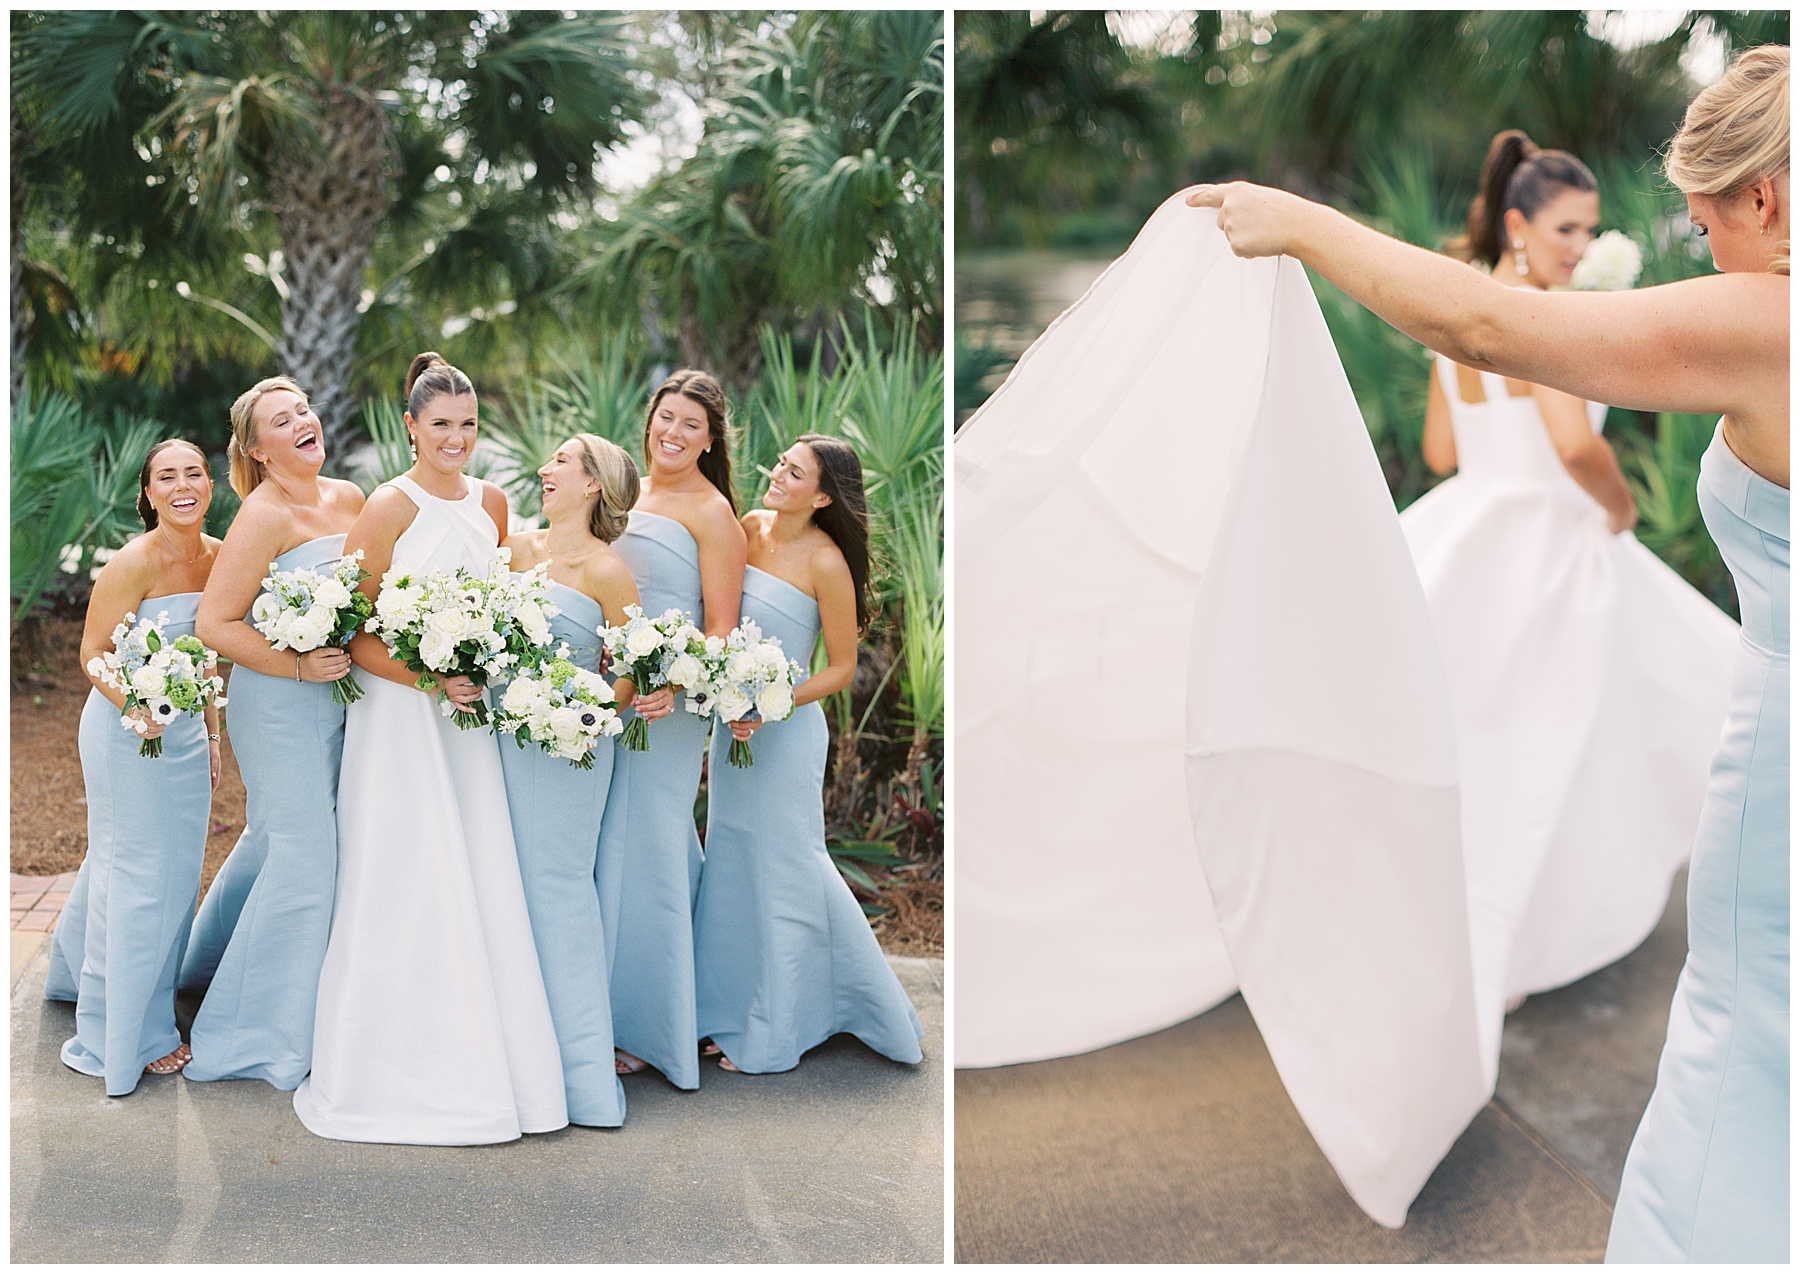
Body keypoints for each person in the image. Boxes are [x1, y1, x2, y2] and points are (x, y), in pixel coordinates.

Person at [1190, 44, 1787, 1262]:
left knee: (1750, 1035)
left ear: (1765, 199)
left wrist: (1304, 224)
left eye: (1705, 212)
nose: (1696, 234)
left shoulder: (1769, 315)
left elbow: (1482, 324)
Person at [1401, 131, 1738, 1086]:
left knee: (1499, 742)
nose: (1582, 248)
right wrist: (1621, 510)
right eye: (1567, 229)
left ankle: (1487, 930)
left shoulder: (1460, 316)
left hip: (1472, 532)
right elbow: (1575, 447)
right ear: (1517, 223)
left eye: (1589, 231)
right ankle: (1524, 938)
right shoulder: (1542, 316)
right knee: (1583, 729)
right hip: (1551, 540)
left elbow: (1437, 454)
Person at [292, 352, 566, 1144]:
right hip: (401, 718)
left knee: (476, 866)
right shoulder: (388, 504)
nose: (456, 438)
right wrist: (429, 677)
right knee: (404, 867)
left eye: (468, 424)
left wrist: (480, 662)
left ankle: (486, 1057)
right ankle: (388, 1063)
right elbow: (352, 624)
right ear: (410, 427)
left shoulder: (493, 501)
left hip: (467, 719)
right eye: (440, 424)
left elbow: (505, 601)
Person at [693, 435, 925, 1073]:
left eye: (794, 472)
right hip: (732, 723)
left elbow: (842, 669)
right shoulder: (748, 527)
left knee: (789, 868)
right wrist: (724, 692)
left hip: (786, 731)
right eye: (781, 464)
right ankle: (725, 1009)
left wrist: (770, 703)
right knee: (735, 861)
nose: (777, 474)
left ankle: (780, 1026)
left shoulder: (826, 562)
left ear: (822, 496)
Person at [181, 377, 366, 1088]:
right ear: (257, 450)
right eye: (280, 421)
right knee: (306, 858)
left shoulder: (348, 499)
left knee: (276, 841)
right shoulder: (261, 515)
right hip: (281, 702)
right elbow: (214, 625)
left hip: (342, 701)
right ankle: (249, 1031)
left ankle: (202, 964)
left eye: (303, 411)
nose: (301, 423)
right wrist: (296, 666)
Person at [44, 439, 223, 1094]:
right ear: (148, 494)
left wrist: (212, 735)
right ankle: (124, 1032)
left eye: (194, 473)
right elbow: (92, 655)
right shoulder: (131, 563)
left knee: (174, 875)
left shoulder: (222, 556)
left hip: (184, 737)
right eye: (166, 477)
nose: (182, 485)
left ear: (211, 485)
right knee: (136, 874)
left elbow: (208, 653)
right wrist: (138, 706)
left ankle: (82, 974)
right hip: (127, 733)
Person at [596, 370, 747, 1089]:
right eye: (666, 416)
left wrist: (672, 681)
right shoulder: (625, 491)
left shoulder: (714, 514)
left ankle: (652, 1026)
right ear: (648, 418)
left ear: (710, 438)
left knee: (650, 841)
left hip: (669, 706)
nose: (674, 433)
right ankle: (631, 1006)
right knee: (612, 846)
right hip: (607, 694)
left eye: (691, 423)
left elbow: (720, 630)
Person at [495, 434, 642, 1126]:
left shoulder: (608, 571)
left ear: (592, 485)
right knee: (506, 888)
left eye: (560, 461)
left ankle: (581, 1075)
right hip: (499, 736)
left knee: (557, 888)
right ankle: (517, 1056)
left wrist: (579, 713)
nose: (543, 468)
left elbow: (628, 674)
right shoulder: (513, 550)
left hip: (570, 747)